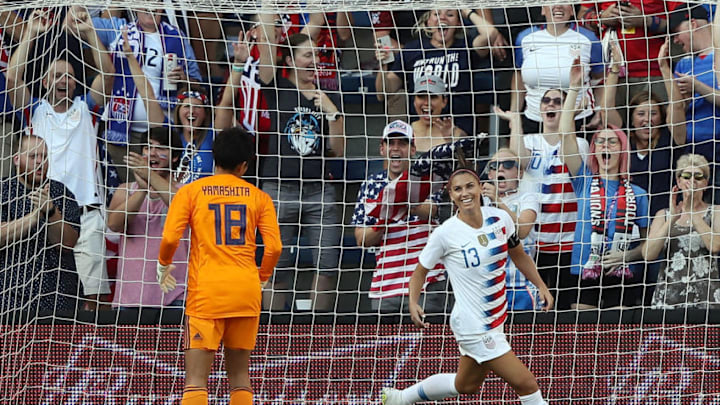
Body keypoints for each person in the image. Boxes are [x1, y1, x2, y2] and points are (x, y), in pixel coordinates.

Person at [381, 168, 553, 405]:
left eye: (469, 186)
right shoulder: (445, 233)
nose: (465, 193)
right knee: (527, 384)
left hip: (496, 318)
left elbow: (519, 254)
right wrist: (413, 302)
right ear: (451, 195)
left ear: (480, 188)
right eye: (458, 189)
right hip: (474, 325)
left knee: (466, 385)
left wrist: (541, 285)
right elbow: (419, 272)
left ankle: (399, 398)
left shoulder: (500, 218)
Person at [156, 127, 282, 405]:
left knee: (196, 381)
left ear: (213, 158)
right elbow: (274, 248)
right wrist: (262, 277)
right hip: (246, 292)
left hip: (207, 294)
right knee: (240, 378)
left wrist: (163, 264)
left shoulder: (191, 192)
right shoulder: (260, 198)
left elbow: (169, 237)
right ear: (244, 165)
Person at [6, 8, 115, 309]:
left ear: (77, 82)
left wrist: (90, 31)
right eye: (55, 76)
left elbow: (107, 76)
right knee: (45, 296)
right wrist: (30, 32)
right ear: (43, 82)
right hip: (43, 210)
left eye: (68, 76)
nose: (62, 80)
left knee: (94, 298)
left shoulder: (88, 109)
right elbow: (13, 76)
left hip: (86, 209)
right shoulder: (34, 111)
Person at [254, 14, 345, 312]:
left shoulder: (327, 96)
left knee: (327, 263)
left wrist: (333, 114)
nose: (315, 60)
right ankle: (273, 332)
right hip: (279, 189)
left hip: (320, 191)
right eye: (308, 54)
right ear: (291, 61)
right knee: (275, 264)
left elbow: (338, 151)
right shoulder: (277, 87)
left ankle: (316, 332)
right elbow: (267, 43)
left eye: (317, 55)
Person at [560, 58, 650, 309]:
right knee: (583, 338)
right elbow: (566, 134)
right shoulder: (583, 180)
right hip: (584, 268)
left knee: (619, 340)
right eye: (600, 141)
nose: (606, 146)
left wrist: (626, 255)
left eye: (613, 142)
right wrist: (574, 87)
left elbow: (647, 245)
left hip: (622, 272)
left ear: (622, 150)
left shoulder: (639, 193)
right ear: (593, 150)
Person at [352, 120, 450, 314]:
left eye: (403, 144)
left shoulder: (427, 177)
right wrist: (385, 217)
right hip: (385, 287)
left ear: (413, 149)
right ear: (382, 148)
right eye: (391, 143)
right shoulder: (371, 184)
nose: (396, 148)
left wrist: (401, 201)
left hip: (427, 283)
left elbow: (434, 211)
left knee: (428, 343)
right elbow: (361, 238)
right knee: (384, 344)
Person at [103, 8, 202, 182]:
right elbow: (77, 27)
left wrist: (184, 78)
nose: (151, 8)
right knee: (131, 192)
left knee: (159, 190)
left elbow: (200, 85)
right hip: (123, 132)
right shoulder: (118, 30)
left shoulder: (177, 37)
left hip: (161, 132)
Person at [375, 8, 493, 136]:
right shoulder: (412, 50)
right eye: (436, 14)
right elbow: (383, 94)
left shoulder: (465, 47)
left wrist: (467, 12)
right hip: (421, 130)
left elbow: (490, 33)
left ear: (458, 23)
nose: (442, 18)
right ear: (428, 23)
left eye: (450, 14)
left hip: (457, 128)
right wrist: (383, 65)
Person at [107, 127, 187, 309]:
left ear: (174, 157)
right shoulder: (125, 190)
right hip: (130, 297)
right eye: (148, 147)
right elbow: (113, 225)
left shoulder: (185, 191)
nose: (152, 153)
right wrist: (142, 189)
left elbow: (182, 207)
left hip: (175, 296)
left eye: (161, 148)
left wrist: (150, 177)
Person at [0, 134, 81, 313]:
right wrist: (36, 216)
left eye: (44, 157)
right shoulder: (2, 190)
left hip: (59, 294)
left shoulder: (61, 192)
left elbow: (67, 243)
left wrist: (51, 212)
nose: (39, 162)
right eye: (32, 156)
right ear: (16, 159)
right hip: (10, 296)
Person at [511, 3, 604, 135]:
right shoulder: (524, 38)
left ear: (572, 10)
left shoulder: (589, 39)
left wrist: (600, 110)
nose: (558, 6)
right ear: (543, 9)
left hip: (578, 120)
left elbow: (600, 78)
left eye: (564, 2)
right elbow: (519, 76)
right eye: (552, 2)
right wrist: (514, 114)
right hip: (534, 121)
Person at [644, 153, 720, 309]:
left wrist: (691, 210)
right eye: (686, 176)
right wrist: (672, 218)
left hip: (705, 300)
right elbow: (648, 254)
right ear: (678, 181)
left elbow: (715, 245)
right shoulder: (663, 214)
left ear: (705, 183)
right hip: (668, 299)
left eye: (698, 177)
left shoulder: (716, 211)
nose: (692, 181)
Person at [664, 3, 720, 203]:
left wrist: (697, 86)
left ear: (692, 24)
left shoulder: (719, 58)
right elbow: (675, 118)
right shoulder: (684, 64)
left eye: (677, 32)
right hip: (691, 151)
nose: (675, 40)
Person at [578, 0, 672, 111]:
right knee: (612, 126)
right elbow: (580, 17)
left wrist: (646, 20)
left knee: (656, 125)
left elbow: (681, 21)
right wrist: (601, 18)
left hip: (655, 73)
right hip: (611, 74)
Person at [481, 149, 542, 310]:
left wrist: (497, 201)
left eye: (507, 165)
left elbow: (522, 230)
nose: (500, 169)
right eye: (494, 166)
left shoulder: (527, 198)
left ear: (520, 172)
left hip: (520, 286)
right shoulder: (481, 204)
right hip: (489, 288)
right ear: (489, 175)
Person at [410, 75, 465, 154]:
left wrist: (450, 141)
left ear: (444, 101)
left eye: (432, 97)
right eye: (421, 96)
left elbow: (468, 165)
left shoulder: (456, 134)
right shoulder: (404, 132)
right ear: (414, 101)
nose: (426, 102)